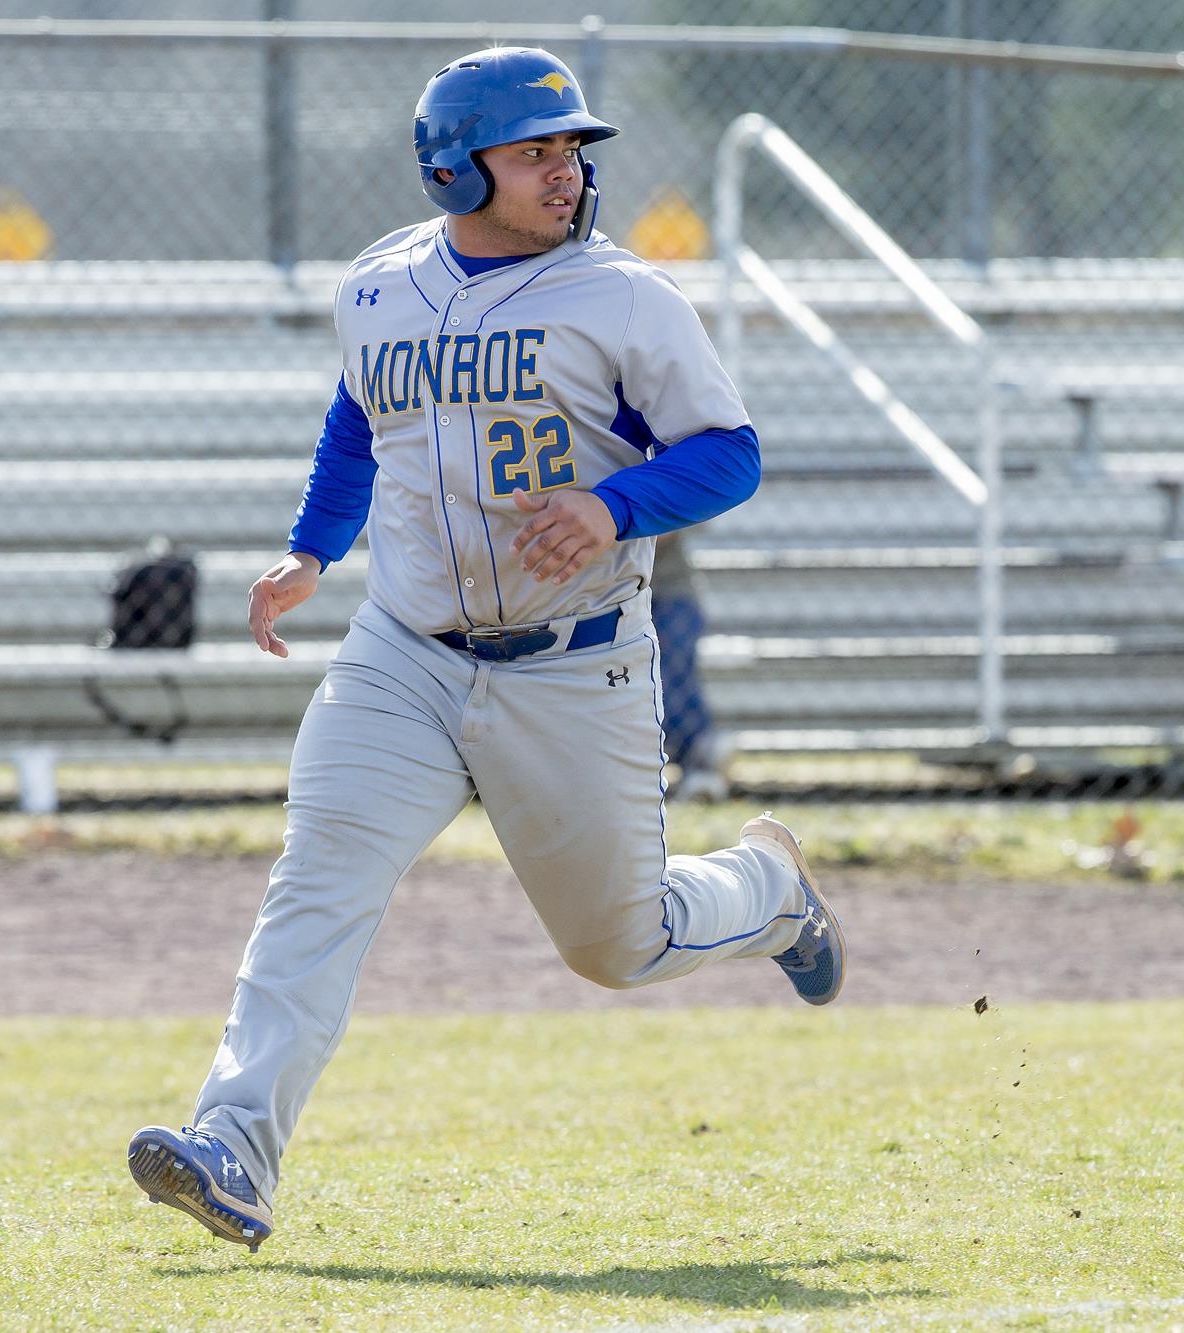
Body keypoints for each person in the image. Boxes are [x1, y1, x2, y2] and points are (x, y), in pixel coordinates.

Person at [127, 47, 844, 1252]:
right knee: (315, 886)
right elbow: (360, 413)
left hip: (573, 664)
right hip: (403, 651)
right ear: (454, 174)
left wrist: (614, 508)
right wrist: (311, 550)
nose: (564, 171)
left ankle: (769, 891)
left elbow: (730, 451)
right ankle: (232, 1152)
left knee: (620, 944)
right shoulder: (379, 286)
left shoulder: (623, 296)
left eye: (570, 147)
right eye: (535, 152)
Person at [651, 527, 734, 801]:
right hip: (604, 598)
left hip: (668, 590)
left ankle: (699, 761)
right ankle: (700, 754)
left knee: (673, 677)